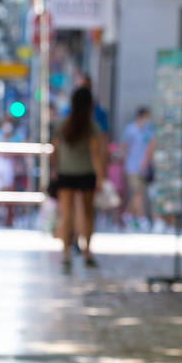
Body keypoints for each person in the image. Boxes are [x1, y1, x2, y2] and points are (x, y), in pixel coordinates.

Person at [50, 86, 107, 271]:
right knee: (88, 214)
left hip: (65, 174)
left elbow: (54, 150)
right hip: (86, 174)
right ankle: (87, 253)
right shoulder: (91, 126)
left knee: (66, 216)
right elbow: (95, 154)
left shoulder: (62, 125)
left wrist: (55, 170)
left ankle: (66, 254)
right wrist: (100, 177)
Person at [121, 107, 154, 230]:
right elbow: (124, 146)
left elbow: (151, 145)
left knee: (138, 193)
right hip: (132, 167)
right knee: (138, 192)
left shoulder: (148, 130)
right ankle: (142, 219)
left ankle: (127, 215)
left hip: (144, 168)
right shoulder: (130, 130)